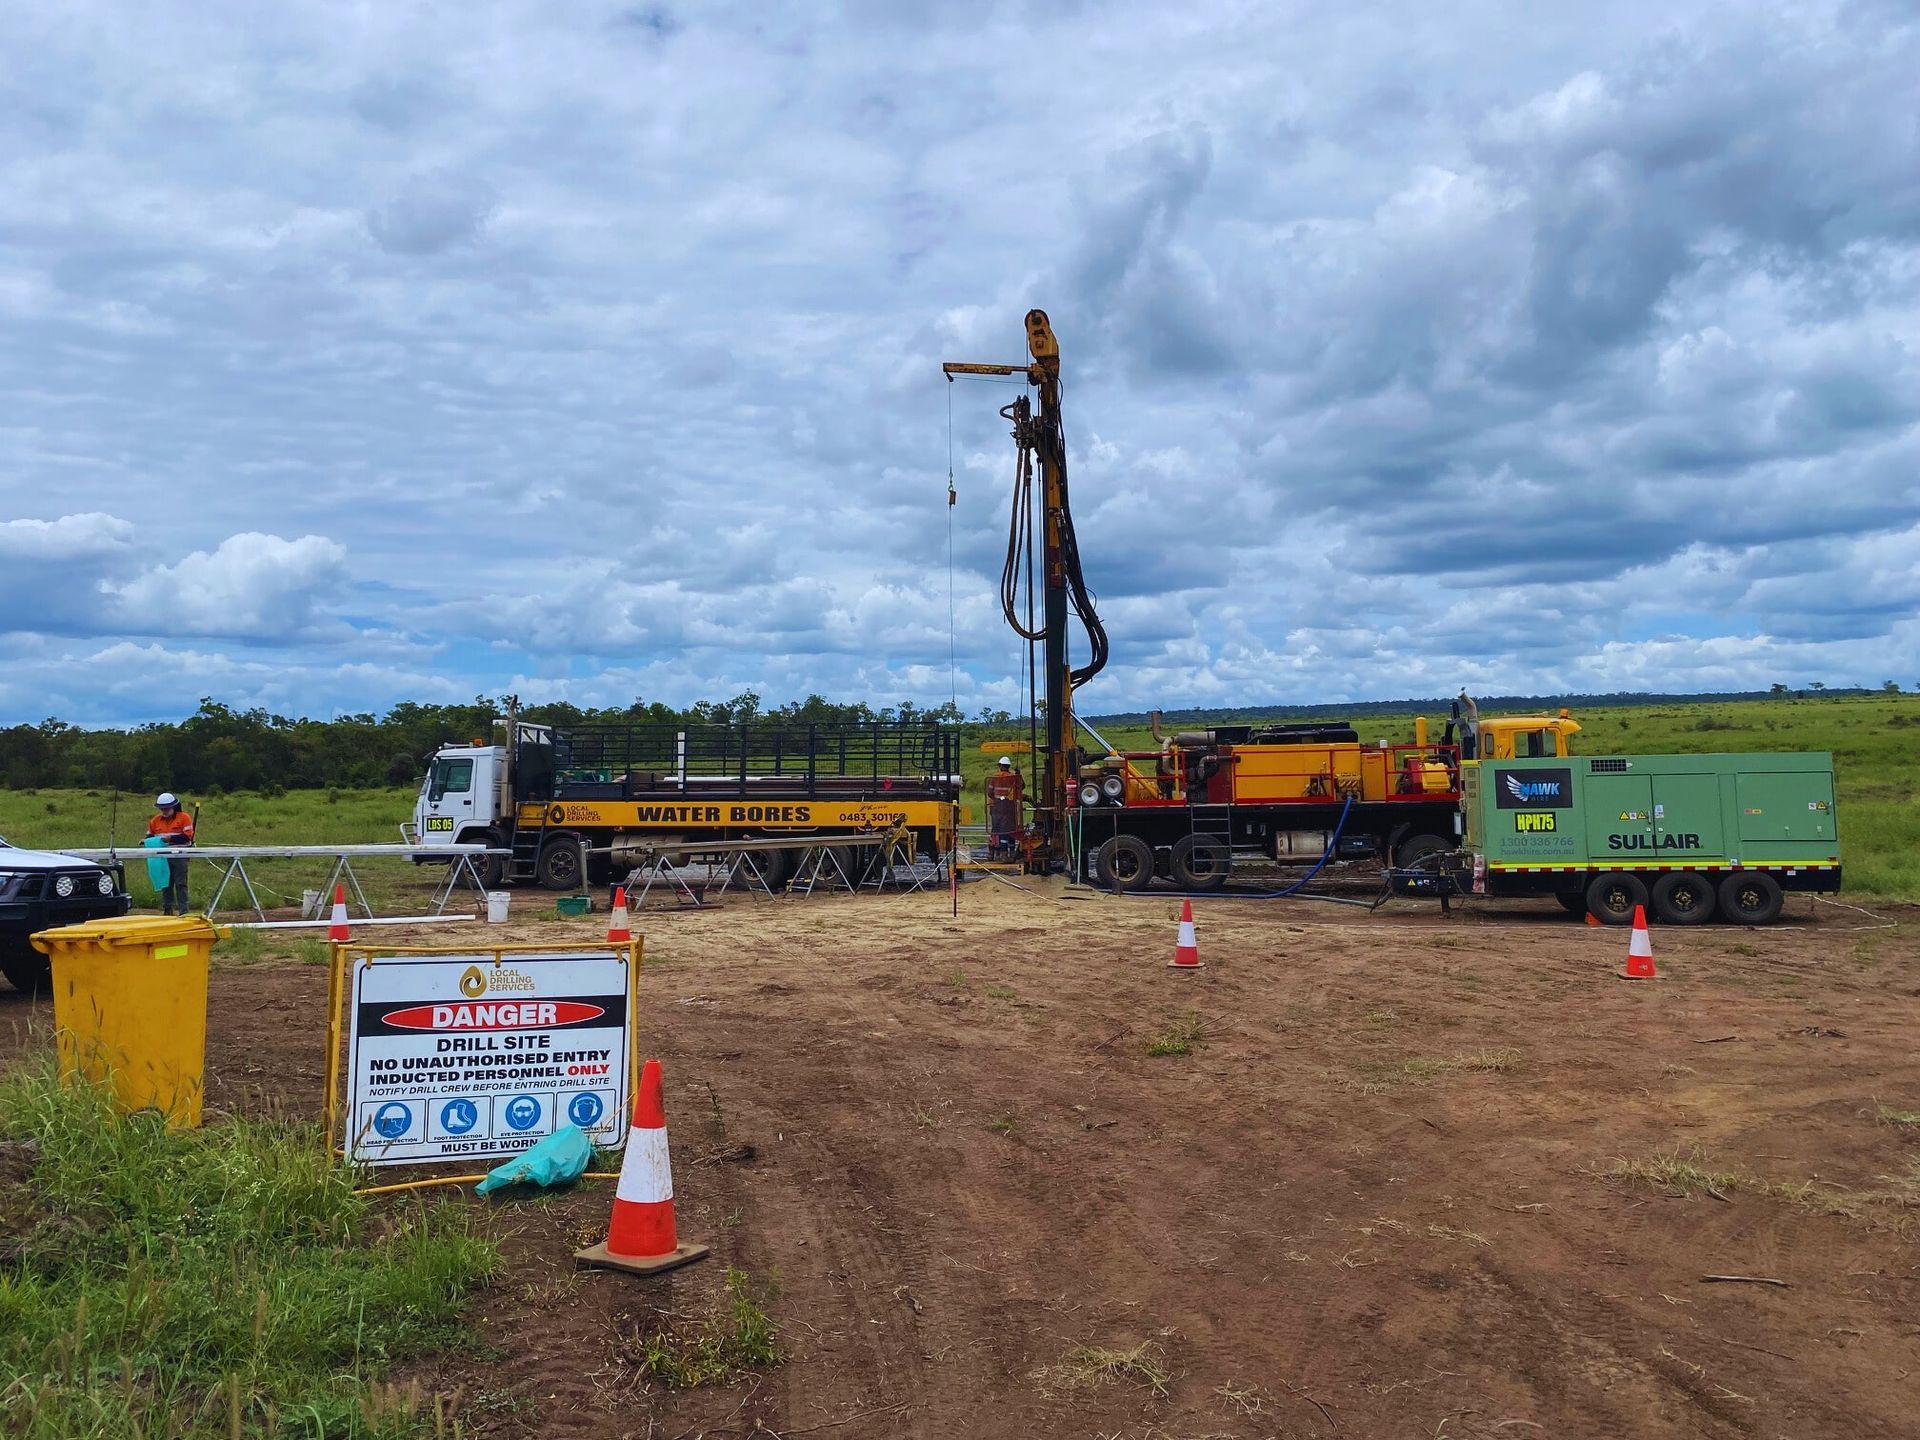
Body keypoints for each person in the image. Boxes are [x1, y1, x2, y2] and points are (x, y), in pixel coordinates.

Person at [147, 792, 195, 915]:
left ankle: (184, 912)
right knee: (165, 883)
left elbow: (187, 837)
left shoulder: (184, 818)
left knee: (180, 883)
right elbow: (150, 836)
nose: (164, 810)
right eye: (162, 808)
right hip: (162, 857)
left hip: (180, 856)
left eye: (167, 808)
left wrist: (170, 839)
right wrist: (145, 841)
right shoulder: (155, 821)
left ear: (173, 806)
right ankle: (168, 910)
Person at [984, 757, 1024, 858]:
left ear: (1000, 766)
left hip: (996, 808)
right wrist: (1019, 775)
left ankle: (1001, 853)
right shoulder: (1013, 777)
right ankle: (1011, 852)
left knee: (999, 830)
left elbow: (989, 792)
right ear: (1008, 766)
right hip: (1010, 808)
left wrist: (998, 799)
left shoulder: (994, 777)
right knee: (1011, 829)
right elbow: (1021, 786)